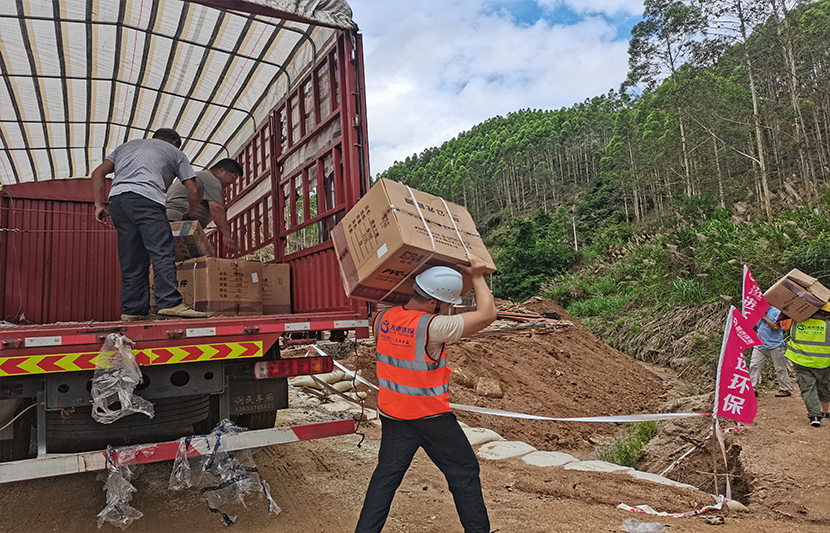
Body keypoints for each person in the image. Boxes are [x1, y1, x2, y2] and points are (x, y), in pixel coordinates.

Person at [354, 255, 497, 533]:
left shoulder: (381, 319)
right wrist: (477, 276)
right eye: (445, 305)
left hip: (393, 414)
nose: (446, 310)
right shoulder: (433, 327)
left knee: (386, 478)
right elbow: (488, 315)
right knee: (464, 472)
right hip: (431, 417)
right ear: (434, 302)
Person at [92, 128, 207, 320]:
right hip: (147, 200)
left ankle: (133, 310)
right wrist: (193, 212)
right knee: (162, 252)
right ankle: (170, 303)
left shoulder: (125, 147)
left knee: (132, 259)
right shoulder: (175, 152)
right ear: (175, 142)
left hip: (118, 202)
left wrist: (98, 204)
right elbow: (192, 188)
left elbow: (98, 173)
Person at [166, 158, 242, 255]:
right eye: (233, 177)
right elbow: (217, 209)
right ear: (221, 171)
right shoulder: (212, 180)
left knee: (173, 256)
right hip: (180, 221)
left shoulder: (198, 176)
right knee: (200, 259)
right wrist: (227, 236)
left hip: (170, 220)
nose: (231, 183)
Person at [783, 304, 830, 427]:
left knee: (808, 388)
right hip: (824, 363)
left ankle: (815, 415)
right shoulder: (828, 326)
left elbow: (785, 326)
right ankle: (825, 412)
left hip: (801, 362)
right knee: (824, 386)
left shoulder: (797, 323)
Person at [749, 305, 791, 397]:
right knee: (754, 366)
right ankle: (752, 389)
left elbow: (776, 327)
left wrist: (764, 316)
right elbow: (754, 326)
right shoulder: (757, 311)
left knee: (780, 368)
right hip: (760, 345)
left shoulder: (777, 312)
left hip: (775, 345)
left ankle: (785, 389)